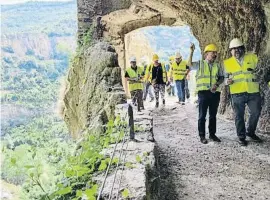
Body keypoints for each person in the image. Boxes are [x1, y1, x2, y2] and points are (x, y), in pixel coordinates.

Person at [224, 38, 262, 146]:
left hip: (253, 91)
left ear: (243, 49)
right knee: (239, 116)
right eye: (234, 49)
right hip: (237, 93)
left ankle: (250, 132)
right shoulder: (227, 63)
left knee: (255, 112)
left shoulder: (253, 57)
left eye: (239, 48)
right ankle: (241, 136)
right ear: (230, 51)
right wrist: (227, 81)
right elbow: (224, 78)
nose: (236, 51)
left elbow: (260, 71)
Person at [190, 44, 224, 144]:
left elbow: (221, 77)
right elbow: (189, 64)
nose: (214, 54)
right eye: (213, 52)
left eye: (215, 53)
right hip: (203, 93)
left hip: (214, 93)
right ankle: (202, 136)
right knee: (202, 116)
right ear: (206, 53)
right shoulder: (200, 64)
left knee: (213, 115)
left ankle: (212, 134)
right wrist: (191, 51)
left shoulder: (218, 65)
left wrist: (216, 84)